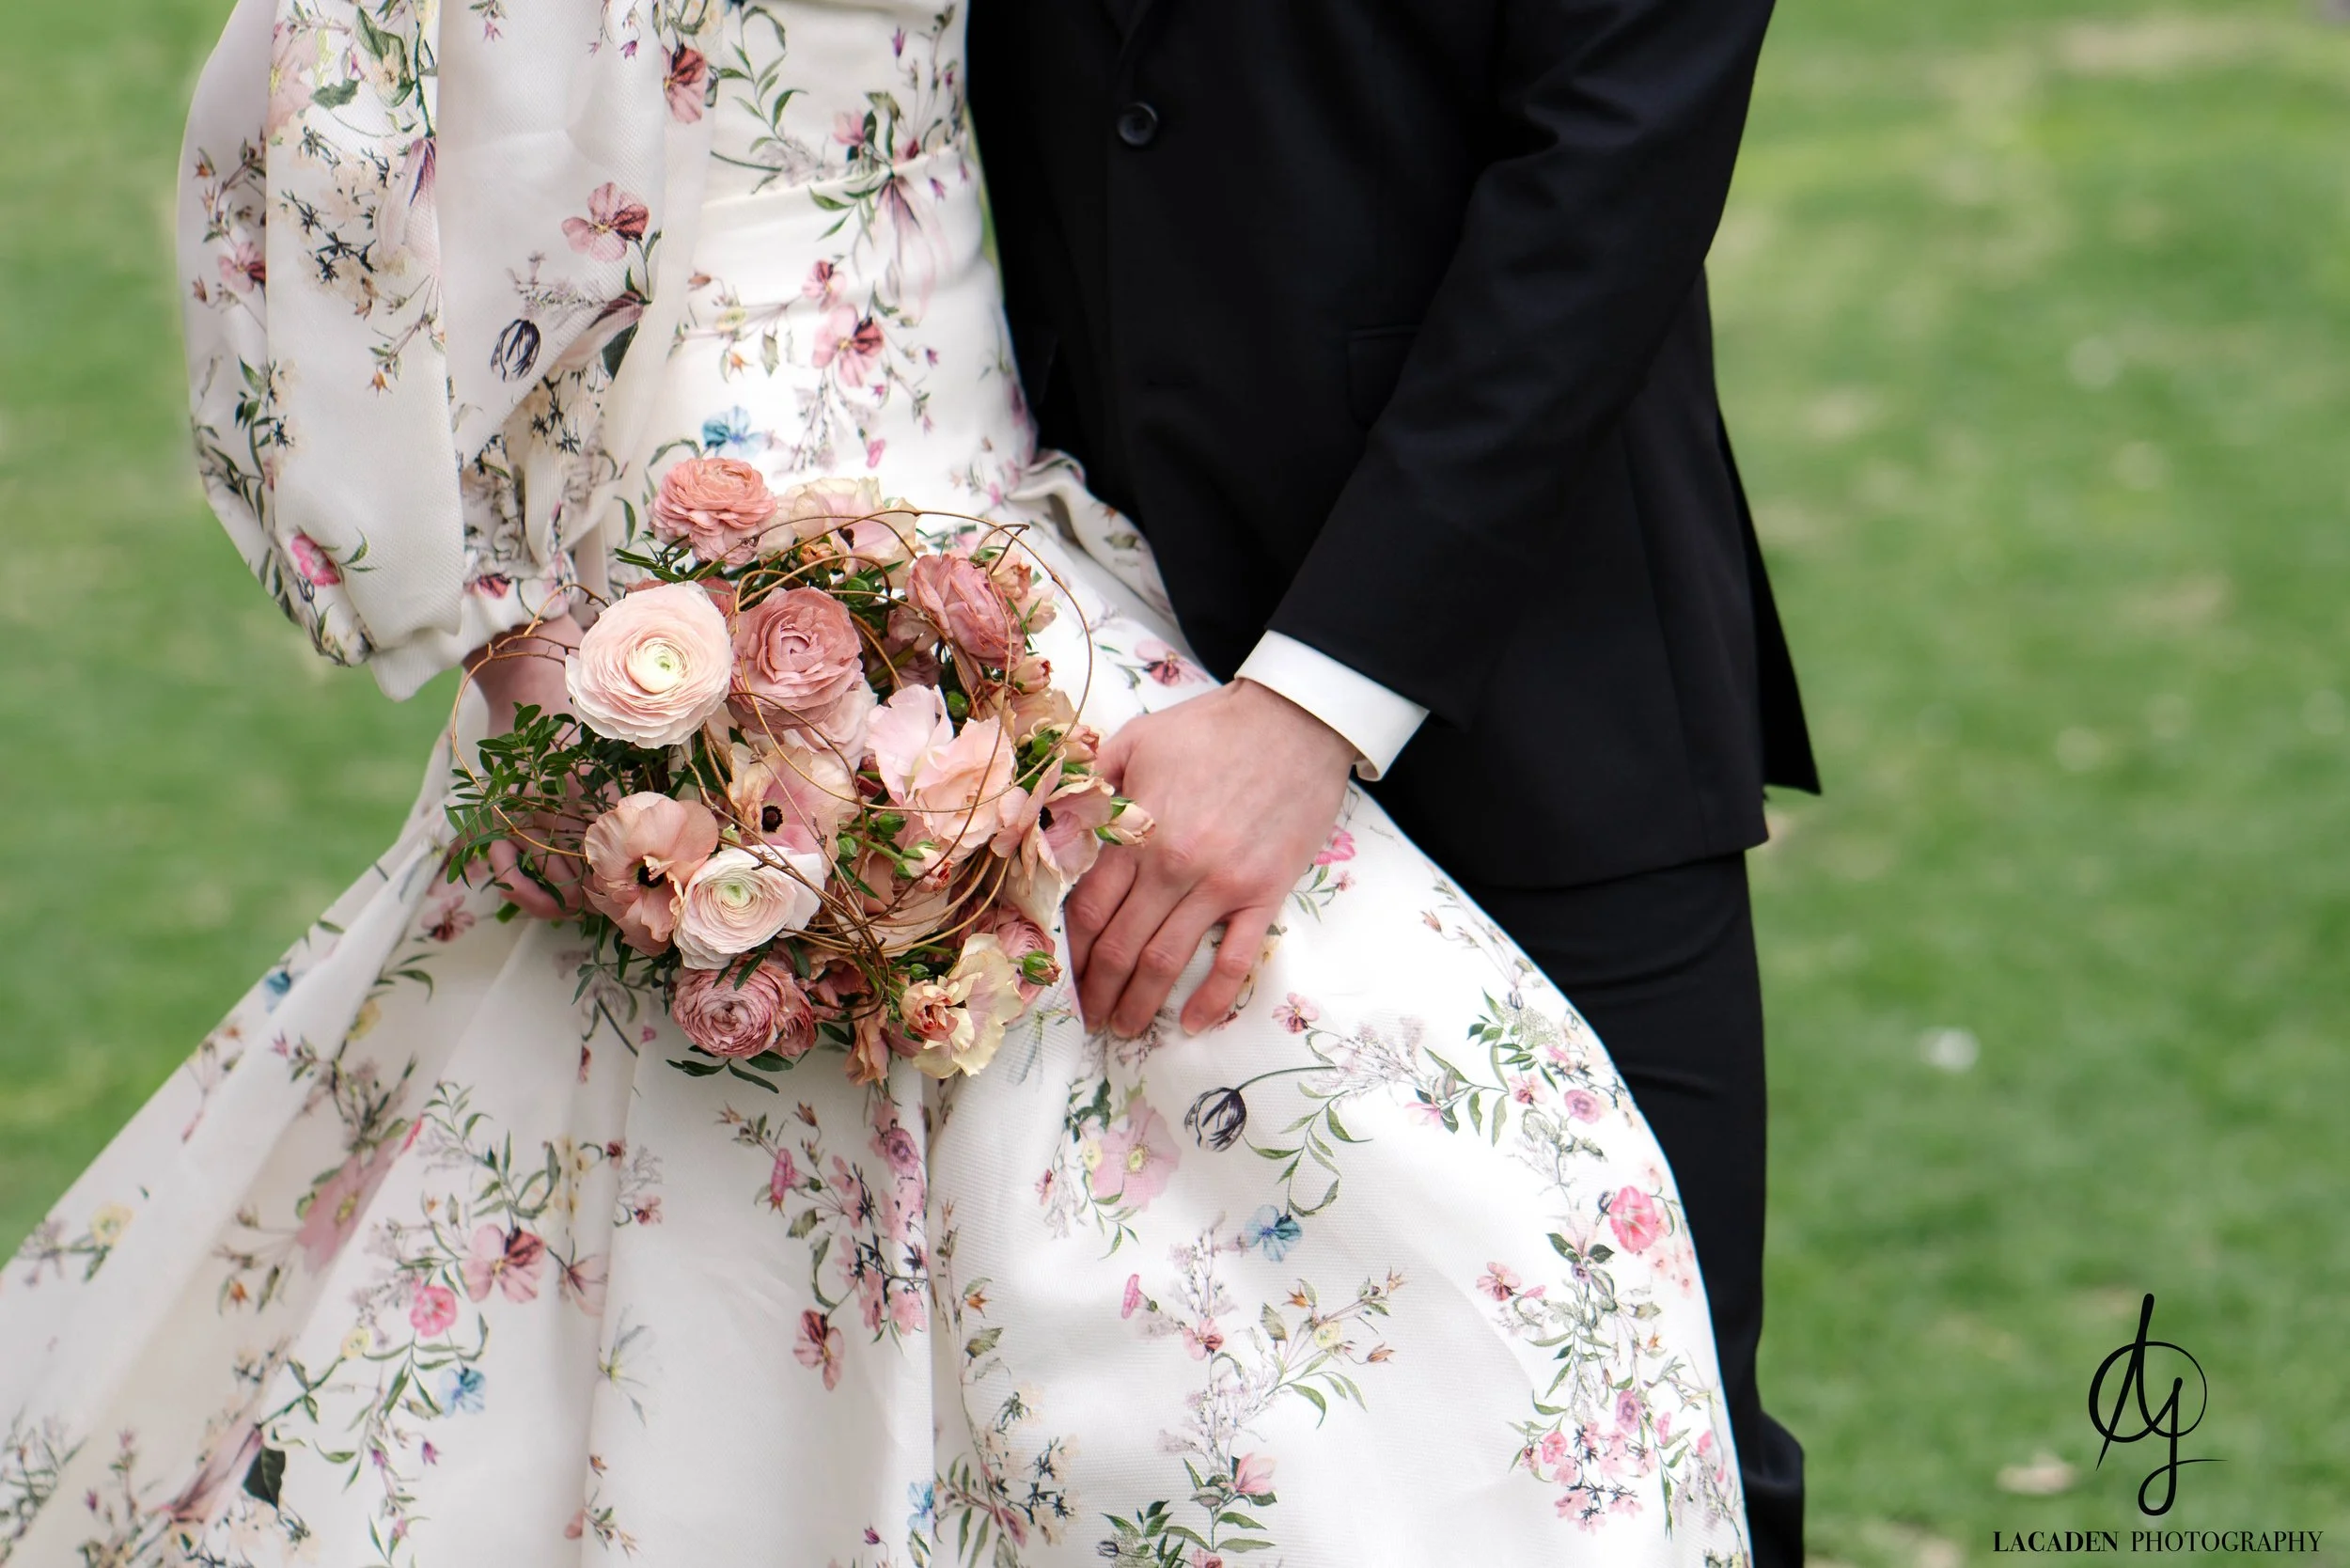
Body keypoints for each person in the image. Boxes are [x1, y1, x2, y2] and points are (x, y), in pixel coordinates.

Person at [0, 1, 1760, 1562]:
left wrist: (1313, 705)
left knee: (1547, 1328)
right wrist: (518, 630)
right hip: (861, 572)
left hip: (1516, 654)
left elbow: (1610, 159)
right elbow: (352, 133)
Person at [968, 2, 1820, 1560]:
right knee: (1134, 1448)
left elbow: (1609, 185)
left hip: (1549, 695)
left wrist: (1315, 702)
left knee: (1644, 1432)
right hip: (1061, 679)